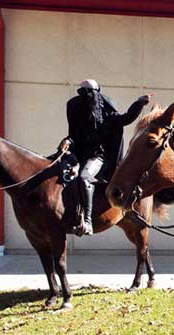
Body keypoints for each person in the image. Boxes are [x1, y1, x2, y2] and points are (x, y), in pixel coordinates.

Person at [64, 79, 153, 235]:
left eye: (89, 92)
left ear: (97, 93)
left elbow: (125, 118)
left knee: (84, 178)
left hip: (98, 158)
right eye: (82, 92)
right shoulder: (76, 110)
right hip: (77, 155)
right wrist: (67, 141)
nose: (86, 96)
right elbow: (73, 135)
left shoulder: (106, 111)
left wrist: (139, 103)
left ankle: (88, 221)